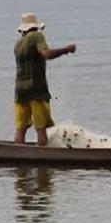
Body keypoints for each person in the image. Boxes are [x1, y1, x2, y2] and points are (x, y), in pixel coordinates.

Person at [13, 12, 77, 145]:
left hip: (20, 89)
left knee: (21, 127)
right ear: (35, 27)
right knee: (41, 127)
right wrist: (66, 50)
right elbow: (46, 54)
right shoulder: (37, 36)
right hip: (36, 88)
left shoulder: (18, 44)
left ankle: (18, 153)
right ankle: (43, 156)